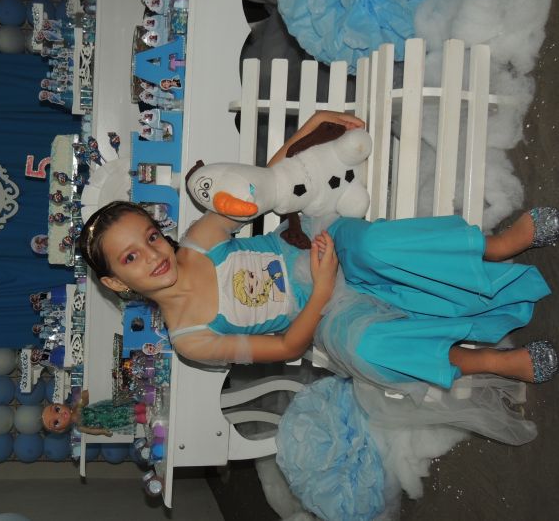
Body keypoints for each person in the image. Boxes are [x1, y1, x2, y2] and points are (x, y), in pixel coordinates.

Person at [78, 110, 558, 444]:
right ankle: (492, 361)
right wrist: (323, 290)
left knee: (375, 246)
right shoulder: (192, 338)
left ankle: (495, 246)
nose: (152, 254)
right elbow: (289, 346)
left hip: (316, 243)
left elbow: (262, 187)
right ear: (116, 282)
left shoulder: (200, 241)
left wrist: (309, 130)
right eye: (131, 258)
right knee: (370, 350)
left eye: (150, 236)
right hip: (321, 313)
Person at [42, 390, 139, 436]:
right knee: (124, 419)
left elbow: (84, 402)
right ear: (61, 430)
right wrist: (102, 431)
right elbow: (92, 431)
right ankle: (140, 418)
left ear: (60, 404)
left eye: (57, 409)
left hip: (104, 409)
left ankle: (140, 407)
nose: (60, 415)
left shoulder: (76, 407)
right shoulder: (80, 427)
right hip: (106, 421)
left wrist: (84, 397)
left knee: (125, 408)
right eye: (56, 422)